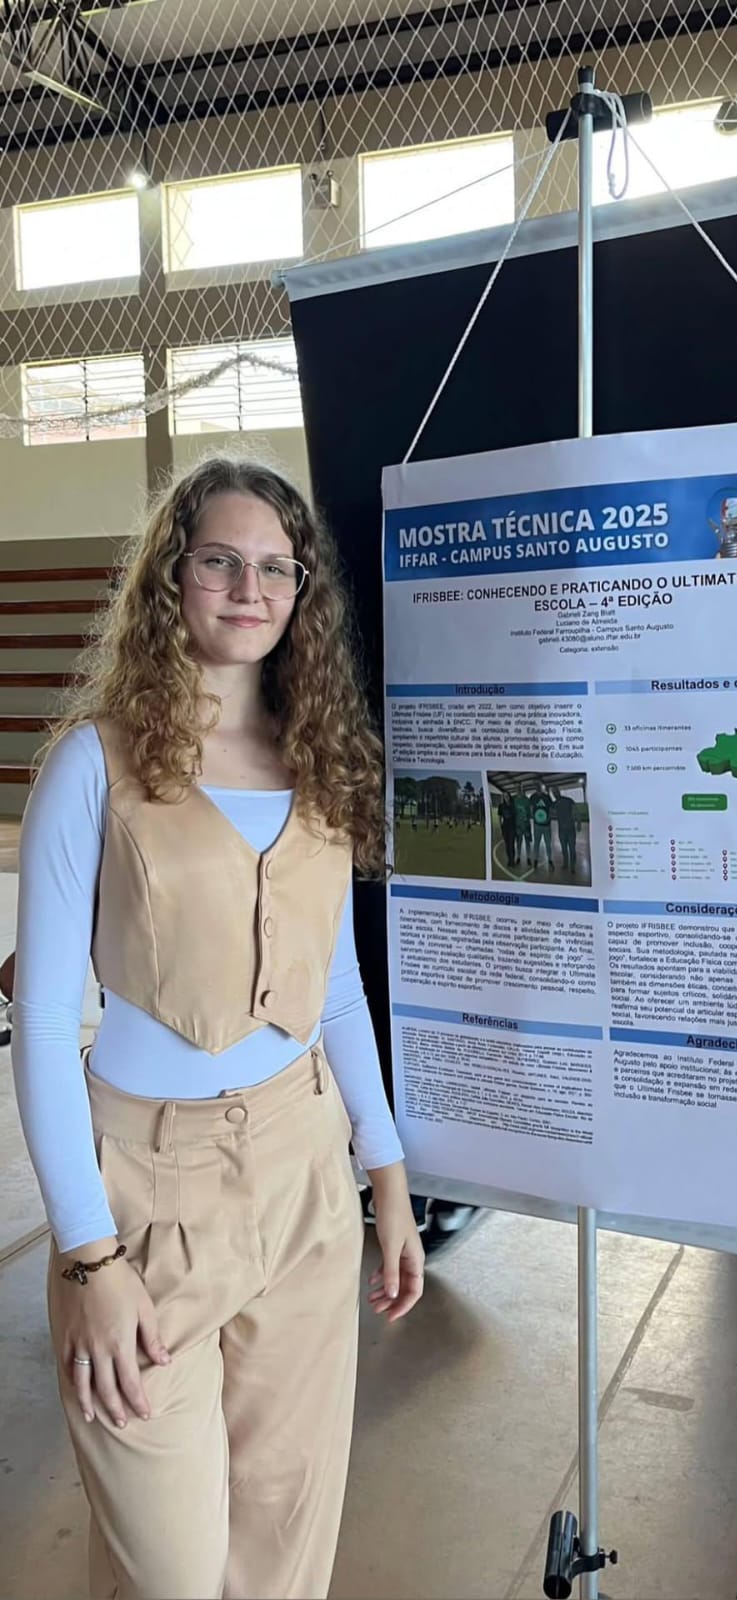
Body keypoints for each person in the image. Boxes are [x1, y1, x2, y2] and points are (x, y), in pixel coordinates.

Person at [10, 455, 425, 1600]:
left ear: (302, 592)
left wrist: (386, 1173)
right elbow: (42, 1024)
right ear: (171, 575)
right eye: (221, 562)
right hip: (147, 1196)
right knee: (174, 1573)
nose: (251, 589)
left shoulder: (318, 757)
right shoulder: (93, 765)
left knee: (282, 1556)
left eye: (277, 569)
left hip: (302, 1178)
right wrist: (90, 1254)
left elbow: (334, 989)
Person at [553, 787, 579, 875]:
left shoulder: (568, 800)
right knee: (564, 849)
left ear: (559, 792)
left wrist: (578, 822)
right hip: (561, 830)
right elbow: (552, 812)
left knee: (572, 849)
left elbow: (576, 810)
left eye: (556, 792)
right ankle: (565, 864)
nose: (555, 794)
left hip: (570, 829)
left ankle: (572, 866)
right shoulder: (555, 803)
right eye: (553, 792)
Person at [530, 784, 554, 872]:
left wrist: (548, 818)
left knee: (548, 844)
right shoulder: (532, 797)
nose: (538, 788)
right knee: (536, 844)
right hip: (537, 825)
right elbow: (531, 809)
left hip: (546, 825)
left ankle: (550, 860)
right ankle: (535, 860)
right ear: (535, 788)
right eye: (536, 787)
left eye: (539, 787)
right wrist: (534, 817)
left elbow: (550, 809)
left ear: (541, 788)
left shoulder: (547, 797)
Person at [512, 785, 532, 868]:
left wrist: (527, 821)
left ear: (522, 790)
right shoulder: (514, 800)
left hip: (526, 825)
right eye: (517, 789)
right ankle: (518, 857)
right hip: (518, 825)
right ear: (516, 791)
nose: (519, 791)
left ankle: (528, 858)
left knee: (527, 843)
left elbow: (530, 813)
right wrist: (516, 825)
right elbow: (513, 813)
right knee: (519, 843)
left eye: (520, 789)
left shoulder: (527, 800)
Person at [497, 792, 516, 867]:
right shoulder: (501, 806)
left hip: (512, 827)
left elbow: (515, 816)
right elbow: (499, 817)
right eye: (504, 796)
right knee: (507, 845)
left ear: (509, 796)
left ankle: (512, 861)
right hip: (505, 828)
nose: (506, 797)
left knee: (511, 845)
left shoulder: (513, 805)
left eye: (507, 796)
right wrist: (500, 826)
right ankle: (509, 859)